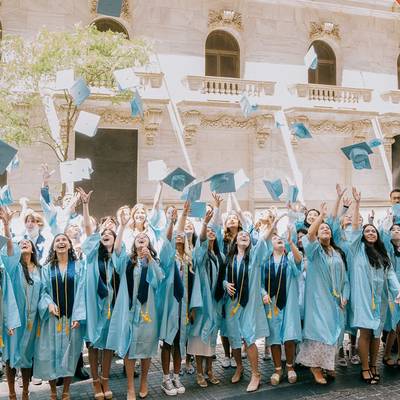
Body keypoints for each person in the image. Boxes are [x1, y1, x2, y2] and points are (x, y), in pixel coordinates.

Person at [107, 211, 164, 400]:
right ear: (134, 243)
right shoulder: (127, 262)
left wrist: (150, 260)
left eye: (145, 238)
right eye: (138, 238)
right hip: (130, 311)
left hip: (148, 311)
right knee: (130, 348)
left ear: (149, 243)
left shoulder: (154, 262)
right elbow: (116, 250)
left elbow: (159, 280)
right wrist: (122, 226)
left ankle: (144, 381)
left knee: (146, 348)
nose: (141, 238)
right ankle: (131, 387)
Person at [222, 216, 279, 392]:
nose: (244, 236)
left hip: (249, 304)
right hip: (232, 305)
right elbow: (224, 277)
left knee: (249, 337)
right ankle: (239, 367)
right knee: (234, 337)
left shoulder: (254, 256)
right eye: (241, 235)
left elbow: (262, 241)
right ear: (235, 241)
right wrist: (225, 284)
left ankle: (256, 374)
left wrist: (272, 225)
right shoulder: (229, 258)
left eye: (247, 235)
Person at [349, 187, 400, 384]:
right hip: (362, 299)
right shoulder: (357, 250)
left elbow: (391, 276)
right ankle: (364, 367)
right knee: (366, 332)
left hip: (379, 300)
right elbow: (354, 229)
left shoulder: (383, 254)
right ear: (363, 236)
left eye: (373, 231)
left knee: (377, 334)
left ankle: (374, 365)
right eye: (367, 231)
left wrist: (398, 291)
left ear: (378, 236)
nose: (370, 233)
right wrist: (357, 204)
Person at [296, 202, 349, 384]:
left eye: (328, 228)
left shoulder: (336, 253)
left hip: (334, 301)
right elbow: (309, 234)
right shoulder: (313, 251)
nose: (325, 229)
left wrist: (344, 295)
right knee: (319, 332)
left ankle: (328, 364)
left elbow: (345, 279)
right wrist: (322, 216)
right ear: (318, 233)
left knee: (333, 332)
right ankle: (315, 367)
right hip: (317, 300)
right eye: (322, 228)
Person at [34, 233, 86, 400]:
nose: (61, 242)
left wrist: (78, 315)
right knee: (51, 354)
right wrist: (48, 303)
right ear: (53, 246)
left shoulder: (79, 266)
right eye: (58, 240)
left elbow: (81, 292)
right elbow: (43, 291)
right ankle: (53, 392)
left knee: (70, 354)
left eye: (64, 240)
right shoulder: (47, 267)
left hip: (72, 318)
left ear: (70, 245)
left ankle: (66, 391)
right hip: (52, 319)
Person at [78, 188, 117, 400]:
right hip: (94, 305)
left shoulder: (117, 259)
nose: (105, 236)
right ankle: (95, 383)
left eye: (109, 234)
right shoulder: (93, 256)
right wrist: (85, 205)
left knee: (108, 344)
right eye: (103, 235)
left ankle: (105, 380)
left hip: (111, 306)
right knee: (93, 344)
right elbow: (87, 229)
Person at [1, 206, 42, 400]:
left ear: (33, 248)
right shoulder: (12, 267)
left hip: (33, 321)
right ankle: (11, 393)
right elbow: (9, 248)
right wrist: (7, 226)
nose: (24, 243)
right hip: (14, 321)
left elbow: (46, 293)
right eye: (21, 242)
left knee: (27, 358)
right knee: (10, 356)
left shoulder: (40, 270)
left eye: (27, 242)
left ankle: (25, 391)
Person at [158, 202, 198, 396]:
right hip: (169, 306)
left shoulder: (189, 261)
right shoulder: (168, 258)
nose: (180, 236)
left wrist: (191, 307)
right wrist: (175, 220)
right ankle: (165, 378)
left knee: (179, 342)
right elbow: (167, 240)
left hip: (183, 306)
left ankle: (176, 376)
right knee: (168, 341)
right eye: (177, 235)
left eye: (183, 235)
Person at [262, 228, 303, 386]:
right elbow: (260, 282)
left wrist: (291, 243)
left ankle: (290, 367)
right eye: (275, 238)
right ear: (270, 244)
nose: (278, 239)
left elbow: (299, 263)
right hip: (272, 305)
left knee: (289, 335)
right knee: (274, 337)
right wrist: (263, 293)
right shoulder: (266, 261)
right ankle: (278, 369)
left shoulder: (290, 257)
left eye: (281, 238)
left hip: (289, 303)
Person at [188, 208, 222, 388]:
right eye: (208, 231)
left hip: (215, 303)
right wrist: (205, 224)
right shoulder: (198, 253)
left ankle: (210, 370)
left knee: (211, 338)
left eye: (212, 232)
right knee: (198, 339)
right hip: (201, 302)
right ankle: (200, 372)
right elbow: (201, 241)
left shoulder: (219, 256)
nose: (210, 233)